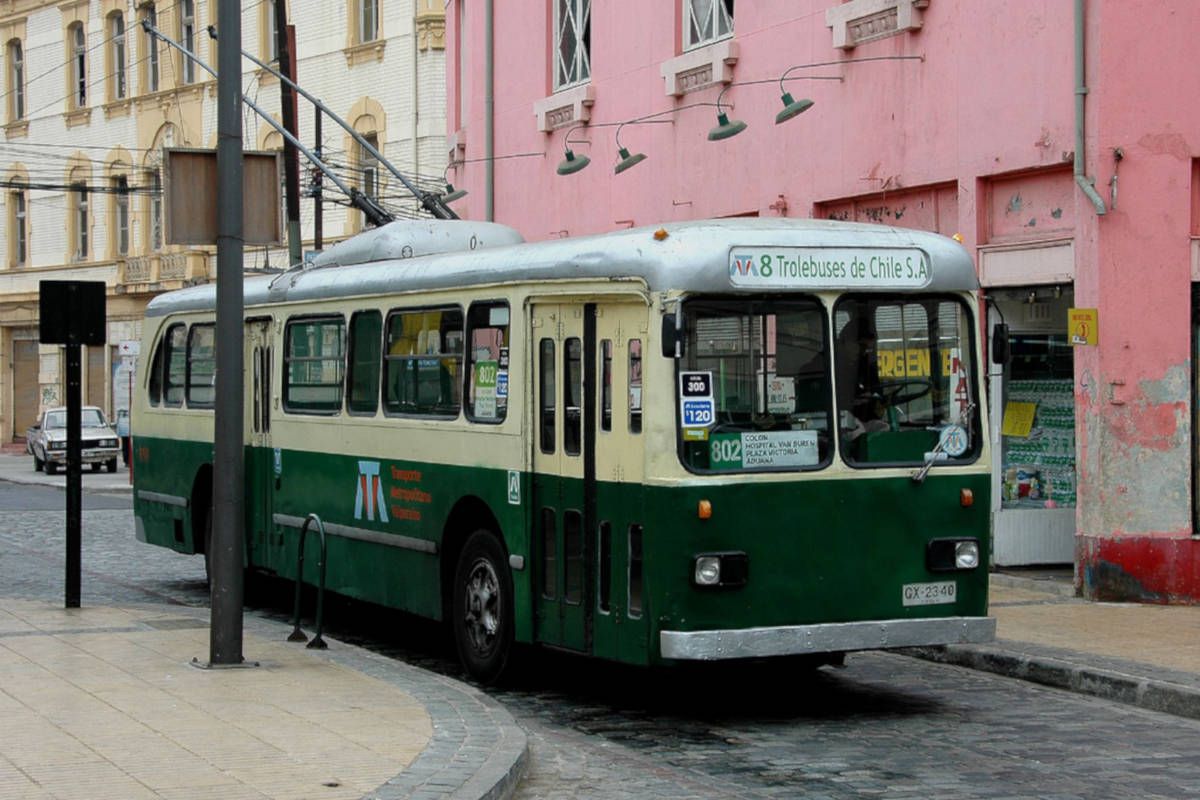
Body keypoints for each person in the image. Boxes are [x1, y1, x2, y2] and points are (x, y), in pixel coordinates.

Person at [835, 322, 888, 438]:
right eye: (861, 346)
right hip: (839, 422)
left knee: (885, 429)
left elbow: (877, 392)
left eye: (869, 349)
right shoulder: (827, 366)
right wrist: (853, 401)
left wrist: (876, 398)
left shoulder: (865, 366)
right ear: (845, 341)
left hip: (865, 420)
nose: (863, 352)